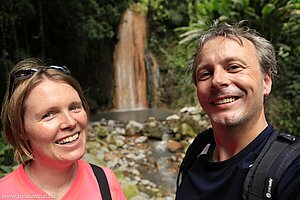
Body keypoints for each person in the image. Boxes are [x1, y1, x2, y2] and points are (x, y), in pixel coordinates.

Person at [175, 21, 300, 200]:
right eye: (206, 73)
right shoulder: (199, 149)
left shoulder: (291, 168)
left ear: (266, 82)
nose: (217, 80)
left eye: (234, 67)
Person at [0, 58, 127, 200]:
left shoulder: (105, 183)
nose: (70, 122)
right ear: (20, 130)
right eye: (49, 115)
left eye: (74, 107)